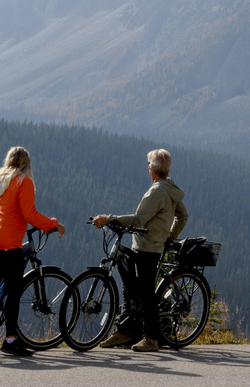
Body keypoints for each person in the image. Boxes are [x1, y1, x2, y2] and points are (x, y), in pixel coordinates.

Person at [0, 146, 66, 356]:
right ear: (26, 164)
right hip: (9, 243)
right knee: (13, 292)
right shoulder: (24, 181)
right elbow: (29, 214)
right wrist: (52, 224)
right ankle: (11, 340)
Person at [92, 148, 187, 352]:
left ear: (151, 169)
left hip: (148, 247)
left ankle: (151, 338)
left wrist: (108, 218)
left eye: (149, 165)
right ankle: (126, 331)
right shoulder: (170, 188)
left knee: (145, 293)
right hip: (149, 245)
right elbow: (183, 215)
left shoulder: (157, 191)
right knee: (130, 288)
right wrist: (169, 237)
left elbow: (137, 220)